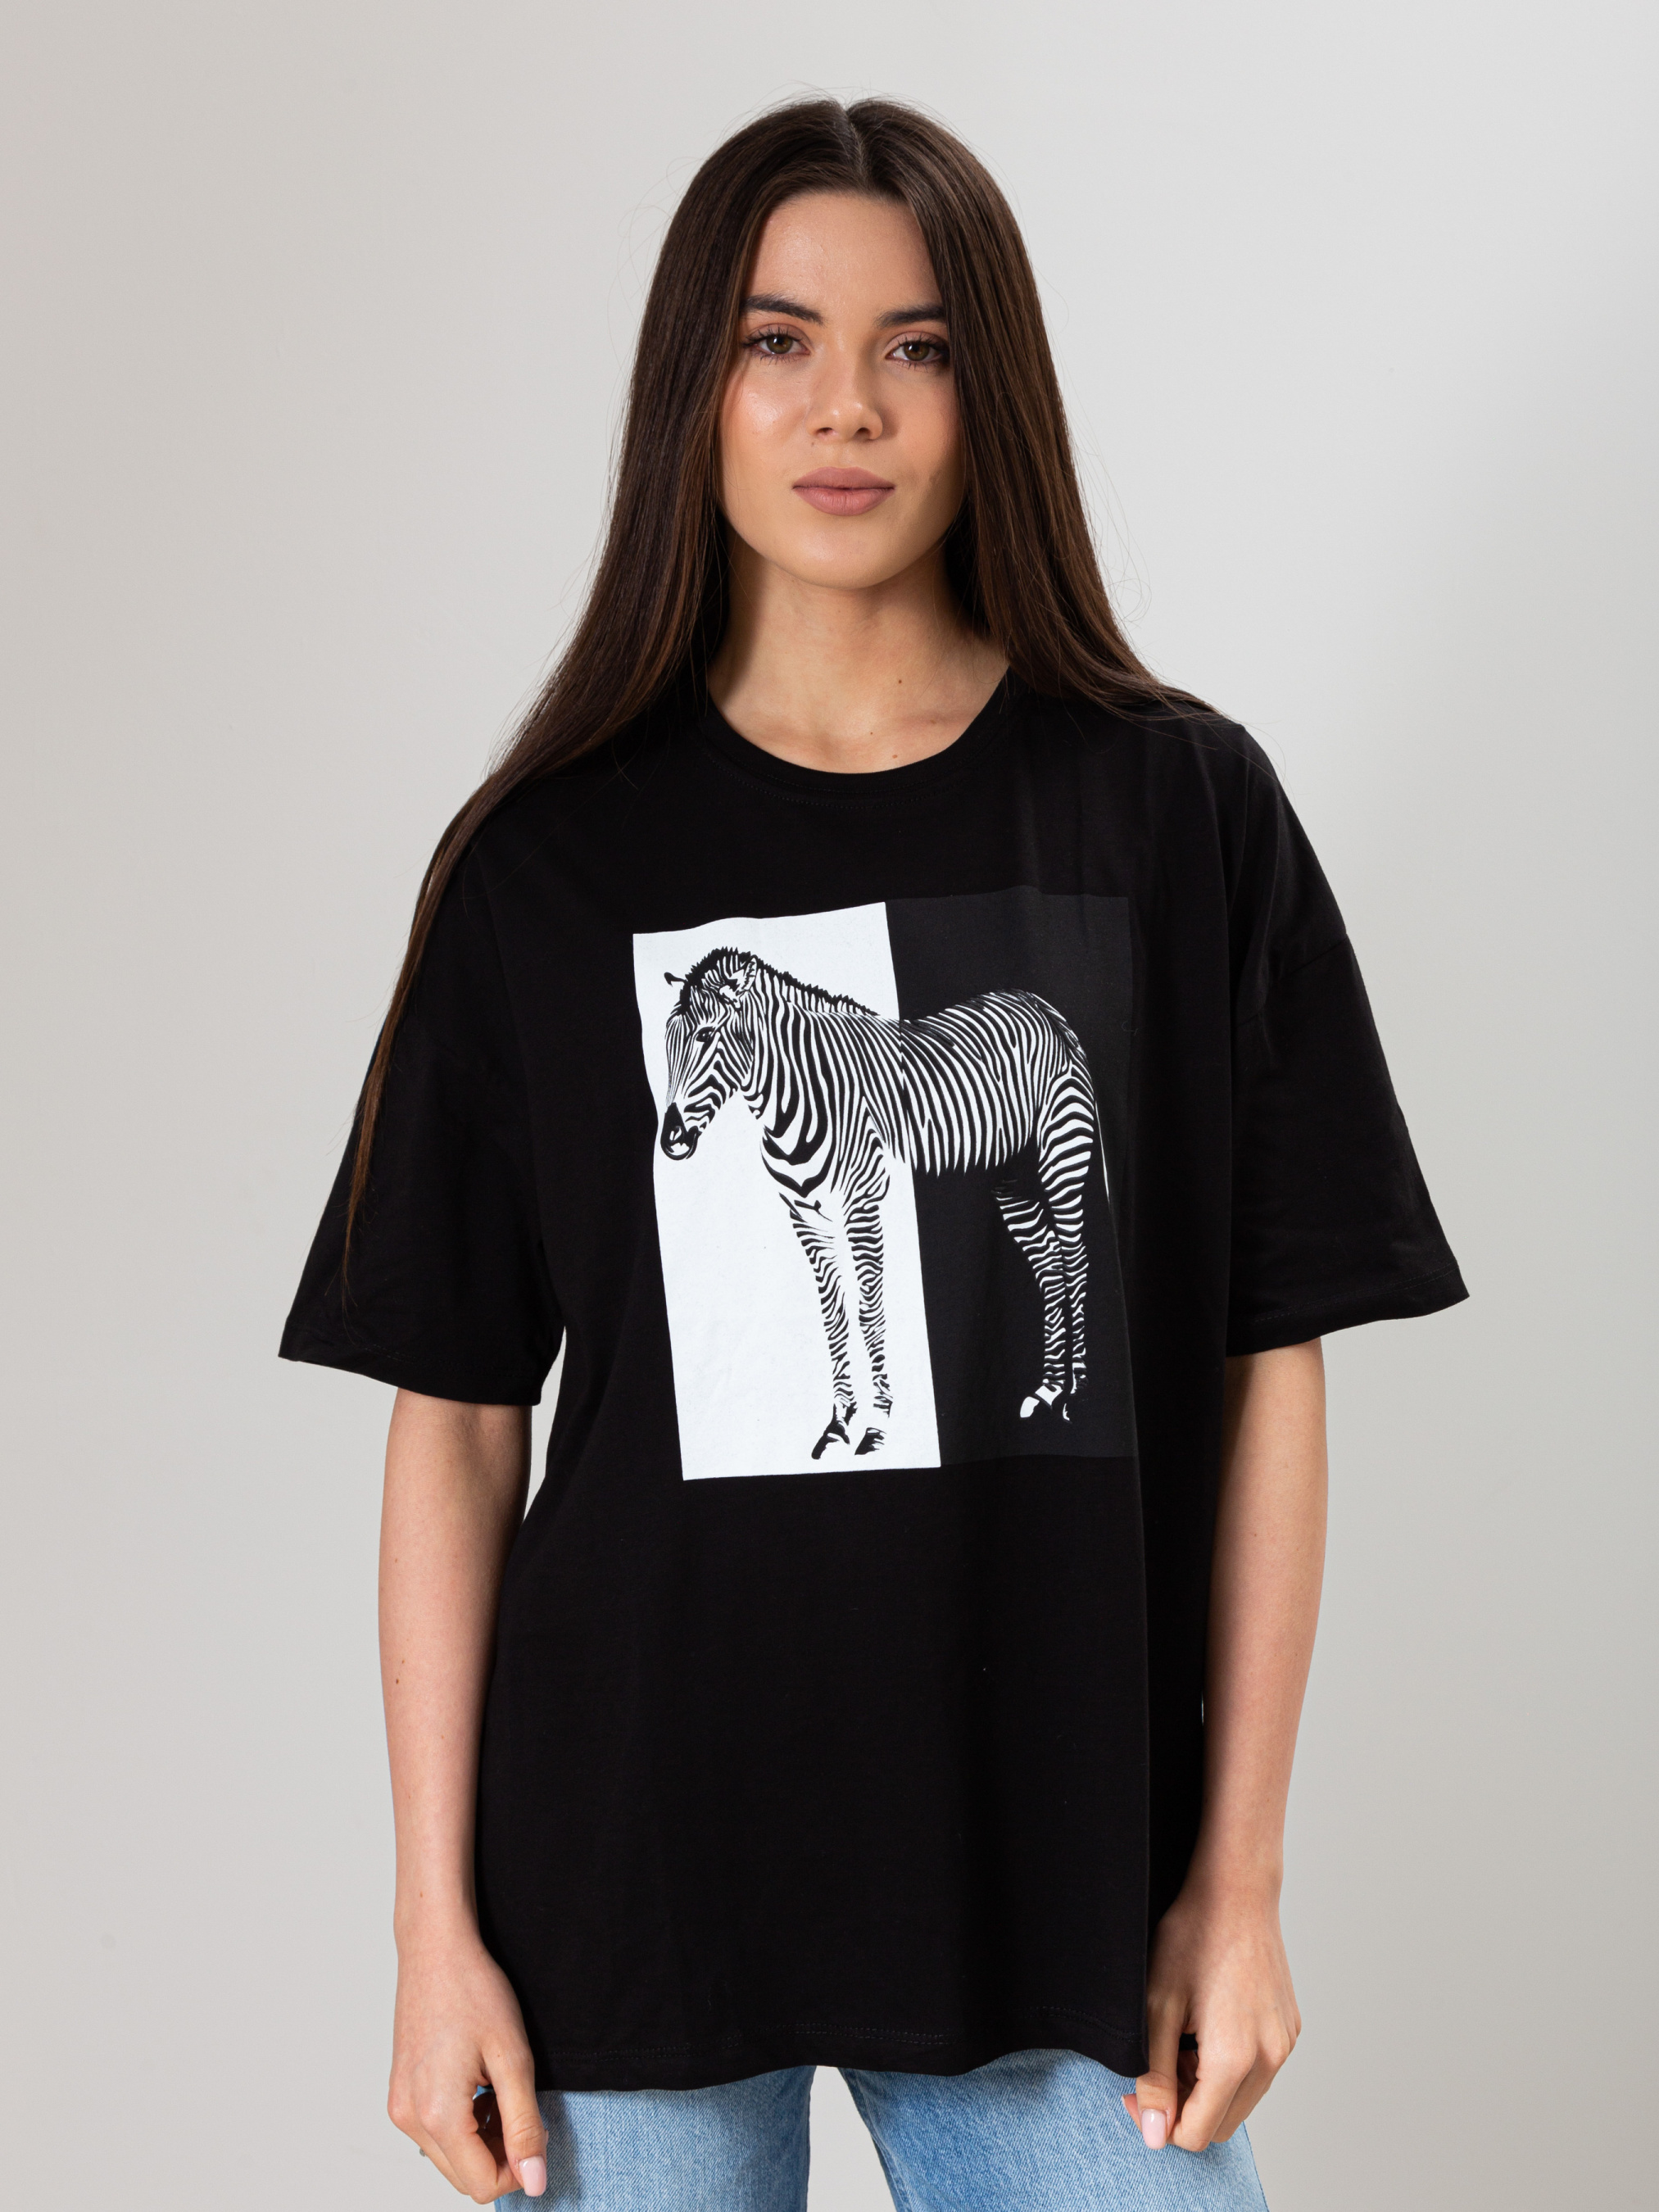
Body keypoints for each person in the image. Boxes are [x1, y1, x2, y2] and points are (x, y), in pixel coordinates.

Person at [281, 97, 1466, 2211]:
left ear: (993, 392)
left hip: (1060, 1892)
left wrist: (1241, 1881)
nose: (850, 408)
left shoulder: (1176, 811)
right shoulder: (541, 865)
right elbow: (454, 1425)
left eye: (919, 347)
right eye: (780, 342)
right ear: (696, 389)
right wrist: (430, 1936)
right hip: (623, 1896)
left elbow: (1261, 1362)